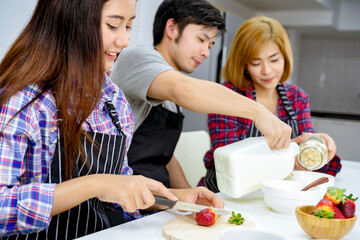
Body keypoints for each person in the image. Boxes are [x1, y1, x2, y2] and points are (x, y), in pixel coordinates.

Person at [0, 0, 224, 238]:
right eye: (113, 25)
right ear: (69, 21)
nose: (124, 41)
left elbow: (119, 186)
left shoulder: (114, 101)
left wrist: (175, 198)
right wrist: (95, 185)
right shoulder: (25, 101)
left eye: (128, 26)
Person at [110, 0, 292, 189]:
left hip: (155, 197)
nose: (206, 52)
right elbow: (183, 90)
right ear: (172, 28)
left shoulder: (171, 98)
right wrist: (259, 112)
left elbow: (164, 156)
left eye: (210, 45)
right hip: (122, 196)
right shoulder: (136, 57)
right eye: (201, 39)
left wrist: (190, 196)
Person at [200, 15, 342, 192]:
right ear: (243, 64)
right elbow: (229, 162)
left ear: (285, 57)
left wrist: (318, 147)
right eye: (256, 63)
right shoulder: (227, 96)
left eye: (274, 60)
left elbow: (307, 158)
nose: (266, 71)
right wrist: (288, 153)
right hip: (225, 194)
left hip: (276, 193)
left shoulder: (296, 97)